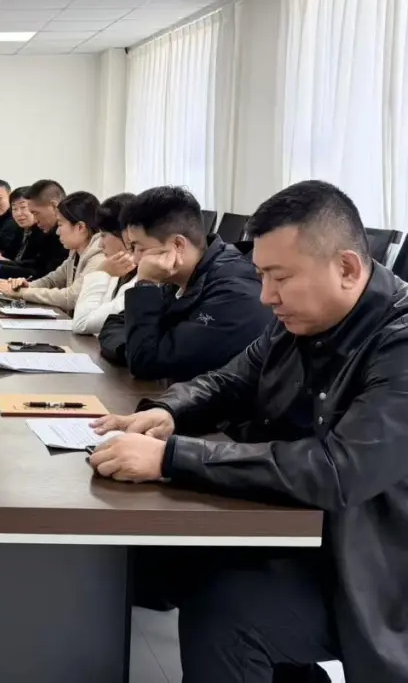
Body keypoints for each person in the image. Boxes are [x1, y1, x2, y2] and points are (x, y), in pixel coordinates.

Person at [89, 180, 408, 683]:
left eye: (279, 278)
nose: (265, 296)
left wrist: (172, 458)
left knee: (226, 614)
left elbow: (337, 470)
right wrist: (169, 412)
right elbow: (233, 380)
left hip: (376, 565)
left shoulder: (399, 343)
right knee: (164, 559)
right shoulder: (300, 318)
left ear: (347, 268)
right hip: (308, 529)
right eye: (261, 276)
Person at [98, 186, 272, 382]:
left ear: (178, 245)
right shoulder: (177, 278)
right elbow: (113, 325)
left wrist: (146, 284)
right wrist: (133, 348)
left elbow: (146, 363)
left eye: (139, 248)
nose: (136, 259)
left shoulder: (234, 294)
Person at [0, 191, 104, 312]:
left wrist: (23, 293)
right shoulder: (75, 253)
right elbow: (51, 280)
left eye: (60, 224)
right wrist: (24, 286)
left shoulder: (99, 257)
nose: (57, 232)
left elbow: (71, 298)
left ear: (80, 227)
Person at [71, 193, 139, 335]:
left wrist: (99, 273)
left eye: (104, 235)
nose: (100, 244)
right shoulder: (118, 270)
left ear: (126, 235)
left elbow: (81, 324)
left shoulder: (139, 281)